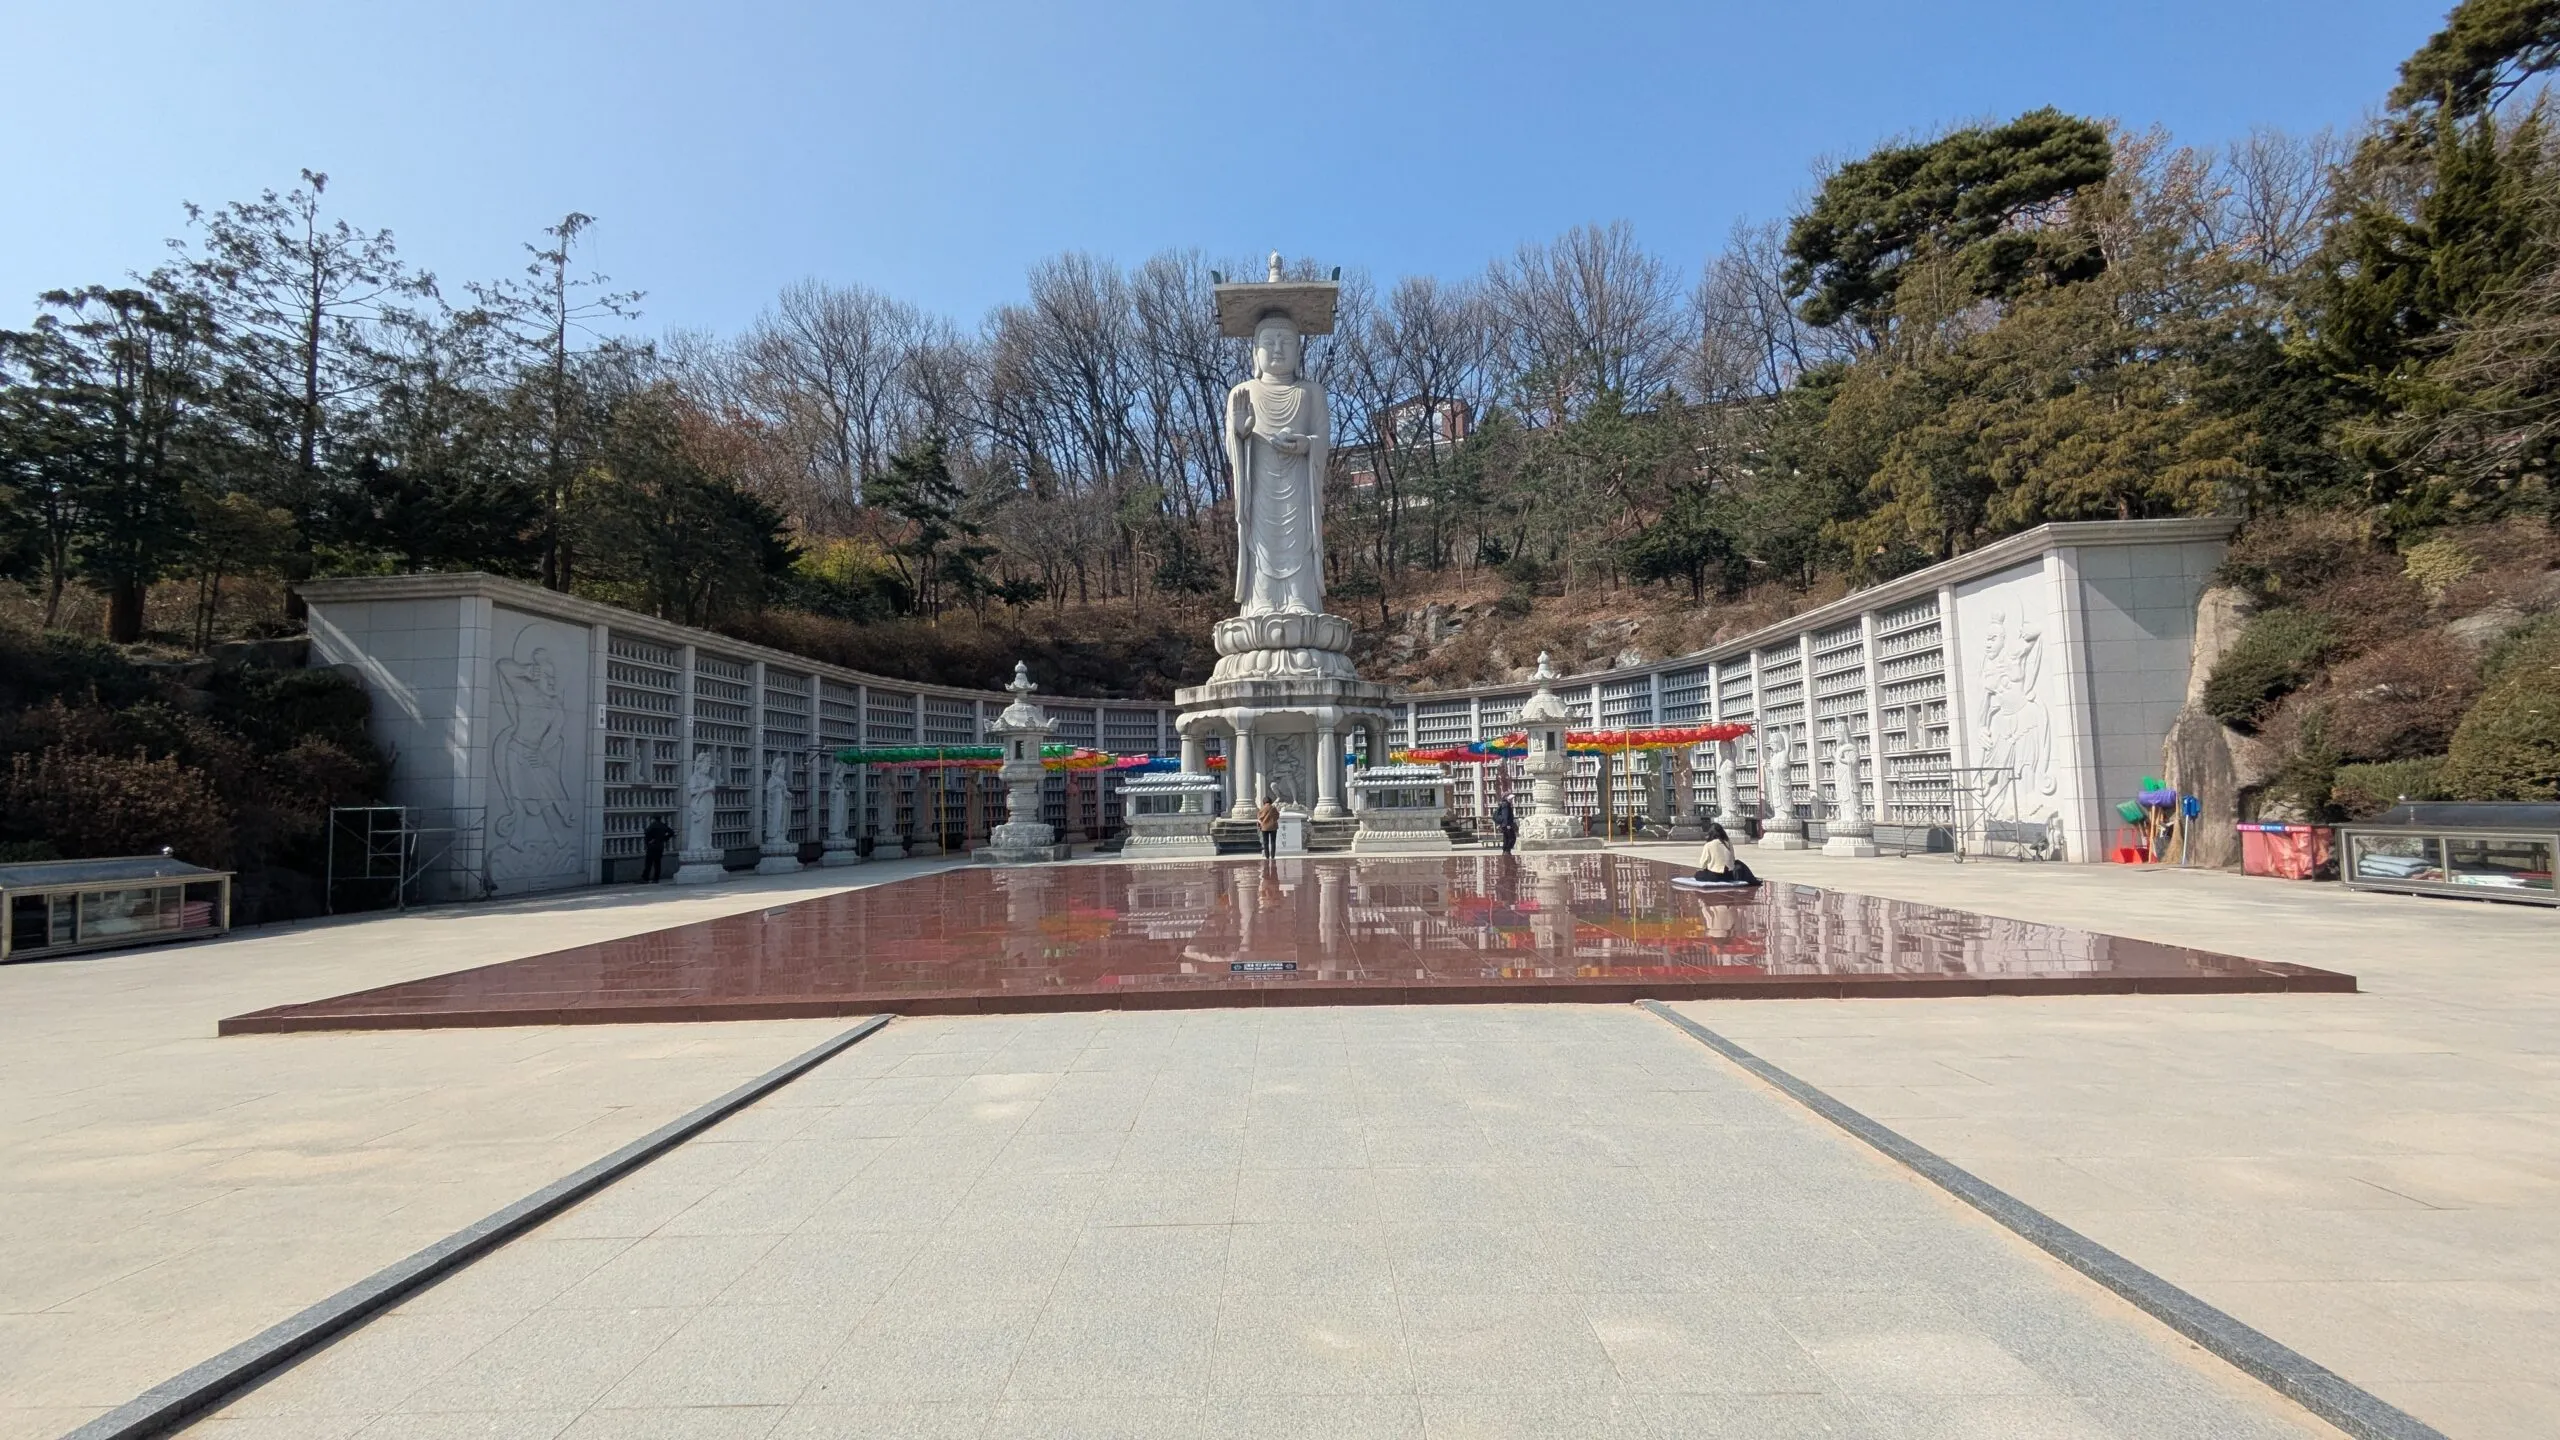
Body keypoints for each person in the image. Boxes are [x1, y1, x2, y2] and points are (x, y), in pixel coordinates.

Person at [1693, 821, 1758, 886]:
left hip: (1716, 876)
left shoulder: (1708, 845)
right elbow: (1732, 858)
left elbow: (1702, 863)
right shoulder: (1728, 843)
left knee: (1698, 874)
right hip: (1728, 875)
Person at [640, 814, 675, 884]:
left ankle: (645, 878)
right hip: (660, 847)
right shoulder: (663, 825)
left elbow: (646, 832)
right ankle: (656, 879)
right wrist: (665, 838)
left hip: (652, 846)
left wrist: (649, 841)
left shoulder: (653, 825)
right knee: (657, 863)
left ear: (654, 819)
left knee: (648, 863)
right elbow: (671, 832)